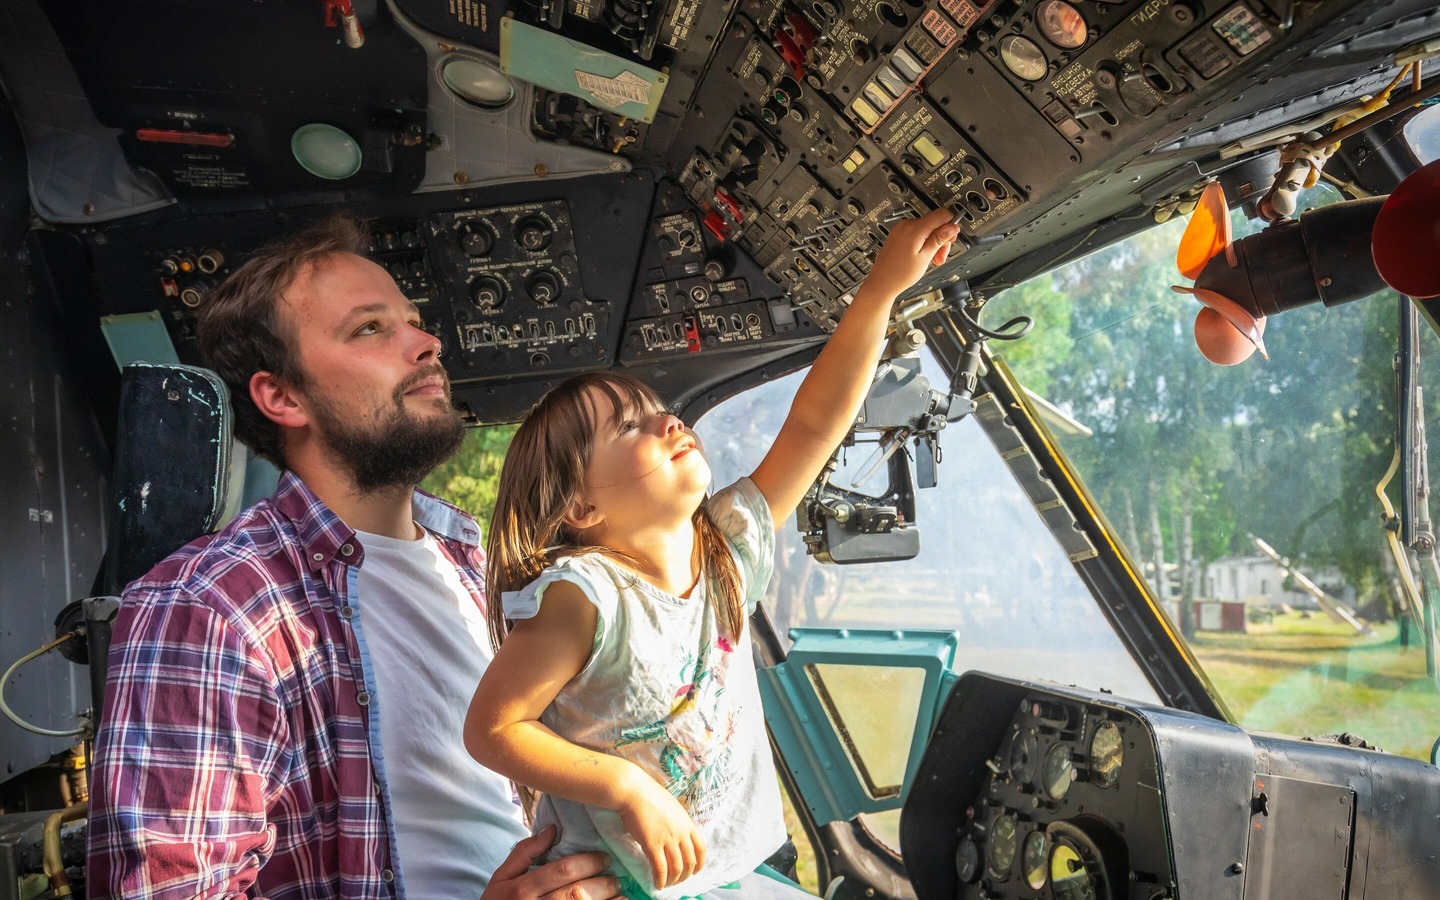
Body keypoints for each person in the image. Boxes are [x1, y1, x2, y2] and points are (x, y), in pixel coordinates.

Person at [87, 215, 621, 900]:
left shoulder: (473, 562)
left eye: (414, 321)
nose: (428, 343)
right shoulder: (212, 607)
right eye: (371, 329)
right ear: (281, 396)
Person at [464, 209, 961, 900]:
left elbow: (816, 423)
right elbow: (493, 728)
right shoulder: (584, 595)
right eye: (630, 424)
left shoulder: (725, 554)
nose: (667, 420)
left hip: (735, 873)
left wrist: (880, 290)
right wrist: (626, 785)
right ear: (580, 510)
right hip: (622, 885)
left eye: (657, 406)